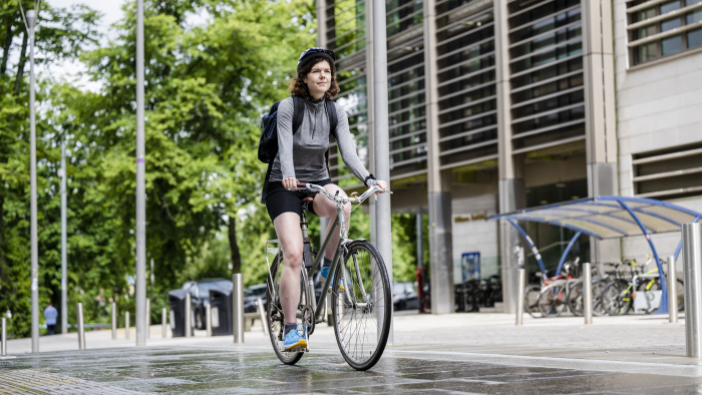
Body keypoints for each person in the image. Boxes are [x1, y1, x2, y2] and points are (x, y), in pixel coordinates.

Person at [264, 47, 387, 352]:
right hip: (283, 184)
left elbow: (348, 154)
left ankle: (327, 269)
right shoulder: (288, 108)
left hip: (317, 181)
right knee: (293, 255)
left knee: (343, 203)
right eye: (316, 71)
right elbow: (285, 147)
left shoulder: (335, 111)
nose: (323, 75)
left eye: (327, 71)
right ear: (304, 77)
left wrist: (369, 179)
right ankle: (291, 329)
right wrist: (289, 176)